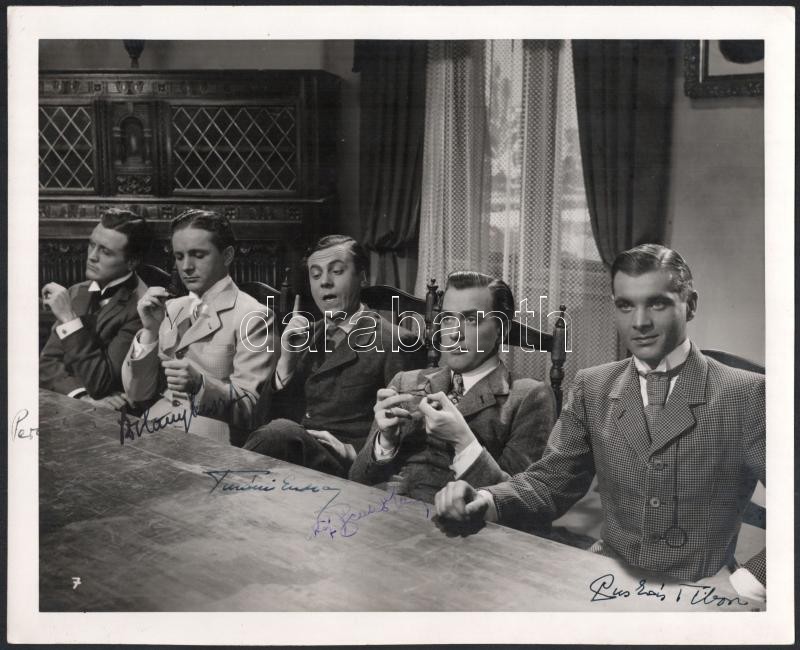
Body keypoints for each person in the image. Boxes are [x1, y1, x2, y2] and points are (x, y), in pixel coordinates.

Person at [434, 244, 766, 600]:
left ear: (691, 305)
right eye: (625, 305)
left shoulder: (746, 394)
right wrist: (486, 499)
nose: (639, 322)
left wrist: (744, 584)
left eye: (657, 304)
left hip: (702, 590)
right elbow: (549, 484)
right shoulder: (593, 386)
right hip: (605, 578)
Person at [349, 271, 555, 504]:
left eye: (471, 319)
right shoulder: (405, 382)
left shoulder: (529, 397)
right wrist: (385, 442)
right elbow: (356, 480)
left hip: (458, 520)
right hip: (385, 511)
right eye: (448, 319)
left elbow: (516, 504)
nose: (455, 333)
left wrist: (463, 441)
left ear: (502, 329)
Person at [244, 235, 424, 477]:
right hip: (292, 460)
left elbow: (410, 433)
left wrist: (353, 452)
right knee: (275, 434)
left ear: (362, 277)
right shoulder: (302, 337)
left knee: (278, 433)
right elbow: (258, 425)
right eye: (315, 275)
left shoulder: (396, 342)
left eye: (337, 271)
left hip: (347, 469)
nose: (325, 282)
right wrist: (285, 363)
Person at [122, 209, 276, 446]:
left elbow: (251, 409)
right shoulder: (171, 308)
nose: (186, 267)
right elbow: (136, 394)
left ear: (227, 256)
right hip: (154, 428)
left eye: (198, 255)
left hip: (213, 439)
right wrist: (151, 332)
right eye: (179, 256)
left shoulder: (254, 316)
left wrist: (200, 385)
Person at [40, 209, 150, 408]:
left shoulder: (143, 309)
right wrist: (81, 396)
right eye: (92, 245)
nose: (91, 256)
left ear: (132, 262)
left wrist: (69, 319)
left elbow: (102, 384)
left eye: (105, 252)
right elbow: (46, 364)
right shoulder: (76, 291)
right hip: (73, 403)